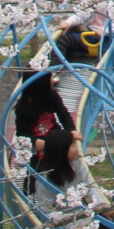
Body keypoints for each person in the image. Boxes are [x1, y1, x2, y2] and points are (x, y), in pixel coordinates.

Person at [13, 56, 74, 201]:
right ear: (40, 86)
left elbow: (63, 113)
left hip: (54, 134)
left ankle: (63, 188)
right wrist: (34, 141)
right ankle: (30, 194)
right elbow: (22, 133)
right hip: (37, 144)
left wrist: (71, 129)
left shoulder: (52, 96)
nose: (54, 80)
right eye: (50, 78)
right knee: (36, 169)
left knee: (63, 161)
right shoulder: (23, 108)